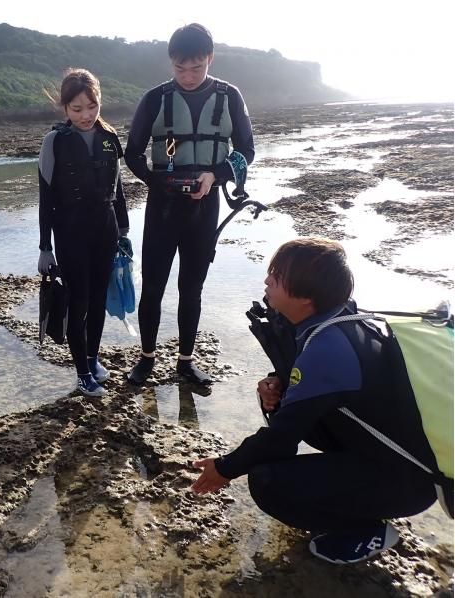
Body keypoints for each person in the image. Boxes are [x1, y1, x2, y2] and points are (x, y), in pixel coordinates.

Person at [191, 238, 439, 564]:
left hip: (407, 483)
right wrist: (281, 384)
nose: (266, 281)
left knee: (268, 482)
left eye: (276, 276)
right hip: (399, 467)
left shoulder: (327, 349)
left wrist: (224, 468)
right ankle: (357, 506)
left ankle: (363, 532)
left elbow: (280, 441)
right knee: (288, 427)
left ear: (306, 298)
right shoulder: (341, 321)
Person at [124, 23, 255, 386]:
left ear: (209, 59)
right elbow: (132, 152)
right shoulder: (155, 99)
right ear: (171, 63)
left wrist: (216, 175)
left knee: (192, 287)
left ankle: (185, 361)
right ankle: (147, 359)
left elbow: (247, 150)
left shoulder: (229, 97)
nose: (188, 76)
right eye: (180, 68)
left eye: (196, 67)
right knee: (153, 284)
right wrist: (157, 180)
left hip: (205, 206)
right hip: (162, 208)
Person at [37, 68, 130, 397]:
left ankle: (92, 358)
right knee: (79, 302)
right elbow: (45, 197)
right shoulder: (54, 142)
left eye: (92, 107)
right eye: (76, 109)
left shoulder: (109, 138)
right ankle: (82, 373)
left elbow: (117, 190)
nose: (86, 115)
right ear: (64, 108)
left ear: (99, 102)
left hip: (104, 230)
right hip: (70, 232)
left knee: (98, 298)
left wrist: (124, 230)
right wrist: (44, 247)